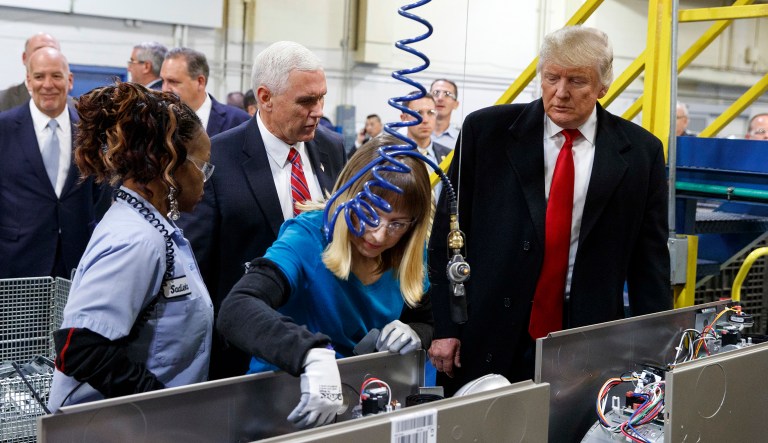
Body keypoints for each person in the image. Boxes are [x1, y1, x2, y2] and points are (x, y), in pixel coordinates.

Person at [428, 26, 672, 396]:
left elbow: (649, 261)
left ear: (604, 85)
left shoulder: (641, 153)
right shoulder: (487, 133)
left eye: (577, 81)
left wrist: (655, 353)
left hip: (586, 335)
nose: (560, 92)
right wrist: (445, 326)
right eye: (551, 77)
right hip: (488, 328)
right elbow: (446, 238)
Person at [217, 134, 433, 428]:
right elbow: (237, 308)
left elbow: (428, 314)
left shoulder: (407, 249)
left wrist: (418, 330)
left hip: (359, 403)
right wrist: (308, 352)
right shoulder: (308, 236)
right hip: (284, 403)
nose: (379, 236)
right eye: (370, 215)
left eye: (397, 223)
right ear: (348, 196)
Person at [181, 40, 347, 380]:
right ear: (265, 98)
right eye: (306, 101)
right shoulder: (218, 159)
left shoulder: (331, 148)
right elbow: (196, 266)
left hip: (324, 343)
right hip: (247, 351)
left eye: (322, 97)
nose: (318, 110)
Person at [48, 82, 214, 412]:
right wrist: (158, 405)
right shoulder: (136, 241)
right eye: (202, 165)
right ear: (168, 164)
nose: (205, 178)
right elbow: (79, 346)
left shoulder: (152, 228)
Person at [0, 47, 102, 279]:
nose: (48, 84)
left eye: (56, 76)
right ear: (28, 81)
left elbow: (99, 192)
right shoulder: (4, 128)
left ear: (70, 80)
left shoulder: (91, 131)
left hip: (78, 262)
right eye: (39, 76)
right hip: (17, 262)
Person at [160, 47, 250, 137]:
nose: (164, 89)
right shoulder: (156, 120)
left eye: (173, 82)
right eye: (163, 81)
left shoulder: (239, 121)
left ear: (200, 82)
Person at [0, 32, 61, 112]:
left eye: (52, 51)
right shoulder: (3, 101)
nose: (45, 56)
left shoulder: (75, 108)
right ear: (24, 58)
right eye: (39, 51)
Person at [429, 78, 461, 148]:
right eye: (436, 93)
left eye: (447, 94)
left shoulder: (461, 140)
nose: (440, 98)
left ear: (456, 104)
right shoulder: (412, 134)